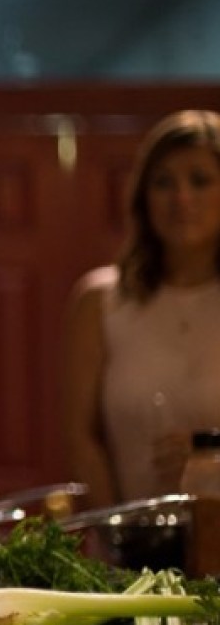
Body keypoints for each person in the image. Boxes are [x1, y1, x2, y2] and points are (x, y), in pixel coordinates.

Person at [62, 109, 220, 509]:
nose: (181, 198)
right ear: (142, 196)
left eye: (199, 181)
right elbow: (80, 437)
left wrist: (212, 459)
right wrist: (121, 536)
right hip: (131, 552)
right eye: (164, 182)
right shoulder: (101, 301)